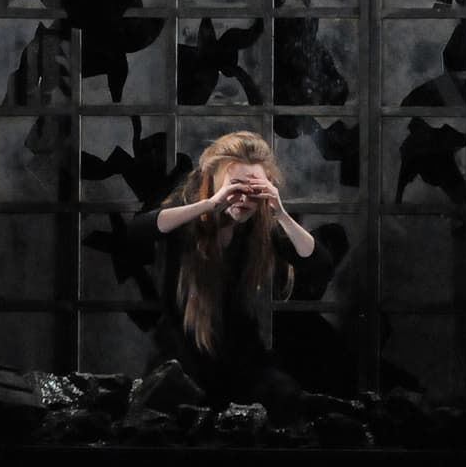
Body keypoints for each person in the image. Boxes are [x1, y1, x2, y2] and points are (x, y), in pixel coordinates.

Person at [128, 130, 323, 408]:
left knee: (286, 400)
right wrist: (209, 205)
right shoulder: (188, 213)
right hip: (181, 356)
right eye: (236, 188)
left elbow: (319, 263)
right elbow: (136, 232)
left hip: (241, 359)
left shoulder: (260, 224)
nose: (243, 199)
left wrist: (280, 213)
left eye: (253, 191)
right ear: (215, 182)